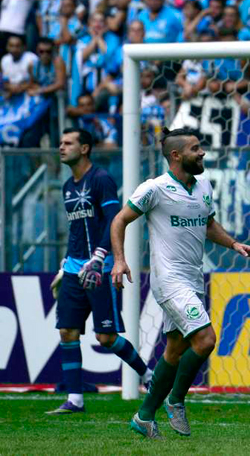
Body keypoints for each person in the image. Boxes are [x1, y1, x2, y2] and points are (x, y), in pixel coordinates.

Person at [110, 128, 250, 439]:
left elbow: (207, 223)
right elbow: (119, 220)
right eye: (195, 148)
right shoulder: (155, 189)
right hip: (169, 279)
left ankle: (144, 416)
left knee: (174, 350)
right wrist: (120, 260)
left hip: (192, 277)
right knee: (205, 340)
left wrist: (233, 244)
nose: (202, 153)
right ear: (176, 156)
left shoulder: (203, 185)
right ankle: (176, 400)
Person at [46, 128, 152, 415]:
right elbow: (76, 230)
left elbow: (114, 221)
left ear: (84, 148)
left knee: (105, 338)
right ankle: (75, 400)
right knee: (67, 331)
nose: (61, 147)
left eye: (68, 143)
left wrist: (100, 257)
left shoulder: (101, 179)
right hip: (73, 268)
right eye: (60, 142)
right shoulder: (68, 185)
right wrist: (65, 263)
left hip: (99, 268)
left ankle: (147, 376)